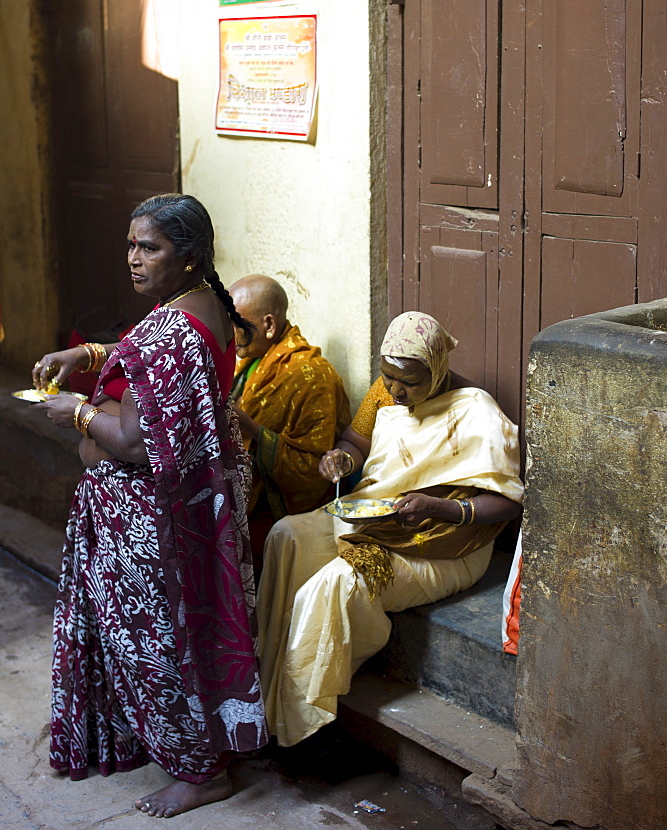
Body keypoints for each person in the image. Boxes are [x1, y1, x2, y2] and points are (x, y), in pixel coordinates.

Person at [33, 194, 267, 818]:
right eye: (131, 246)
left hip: (145, 517)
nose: (134, 260)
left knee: (154, 640)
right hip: (187, 508)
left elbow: (135, 441)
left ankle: (200, 773)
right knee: (184, 626)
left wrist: (76, 411)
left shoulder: (171, 330)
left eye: (150, 248)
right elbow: (151, 364)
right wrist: (85, 356)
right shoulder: (204, 308)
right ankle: (186, 744)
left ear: (189, 257)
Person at [257, 311, 523, 747]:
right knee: (286, 535)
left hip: (441, 544)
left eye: (410, 382)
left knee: (336, 584)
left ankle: (298, 721)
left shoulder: (476, 410)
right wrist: (340, 457)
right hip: (378, 518)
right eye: (388, 378)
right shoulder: (385, 394)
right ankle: (266, 680)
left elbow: (507, 504)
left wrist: (437, 507)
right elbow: (355, 442)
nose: (396, 390)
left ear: (437, 368)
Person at [229, 275, 350, 568]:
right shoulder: (251, 358)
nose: (229, 334)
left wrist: (247, 424)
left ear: (269, 325)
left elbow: (310, 471)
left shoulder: (312, 376)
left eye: (236, 324)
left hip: (281, 508)